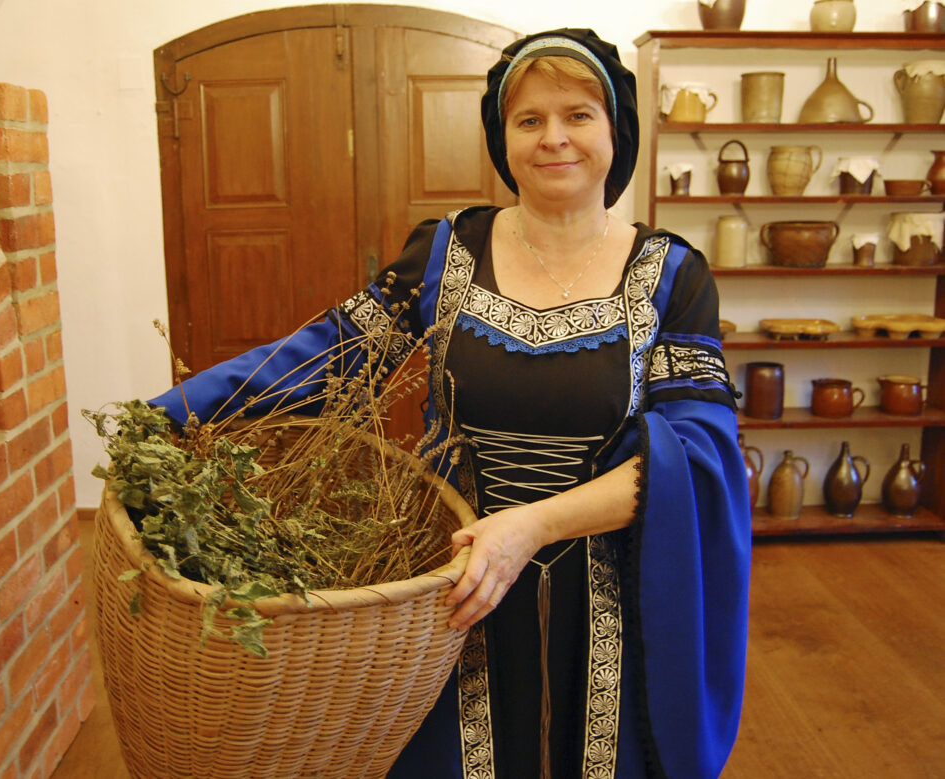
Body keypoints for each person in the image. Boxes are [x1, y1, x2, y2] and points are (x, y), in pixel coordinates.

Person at [149, 28, 751, 779]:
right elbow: (326, 355)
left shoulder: (672, 276)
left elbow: (694, 458)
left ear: (616, 129)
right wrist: (168, 415)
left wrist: (531, 525)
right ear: (503, 140)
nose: (553, 138)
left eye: (577, 115)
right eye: (528, 120)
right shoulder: (447, 252)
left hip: (608, 597)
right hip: (453, 589)